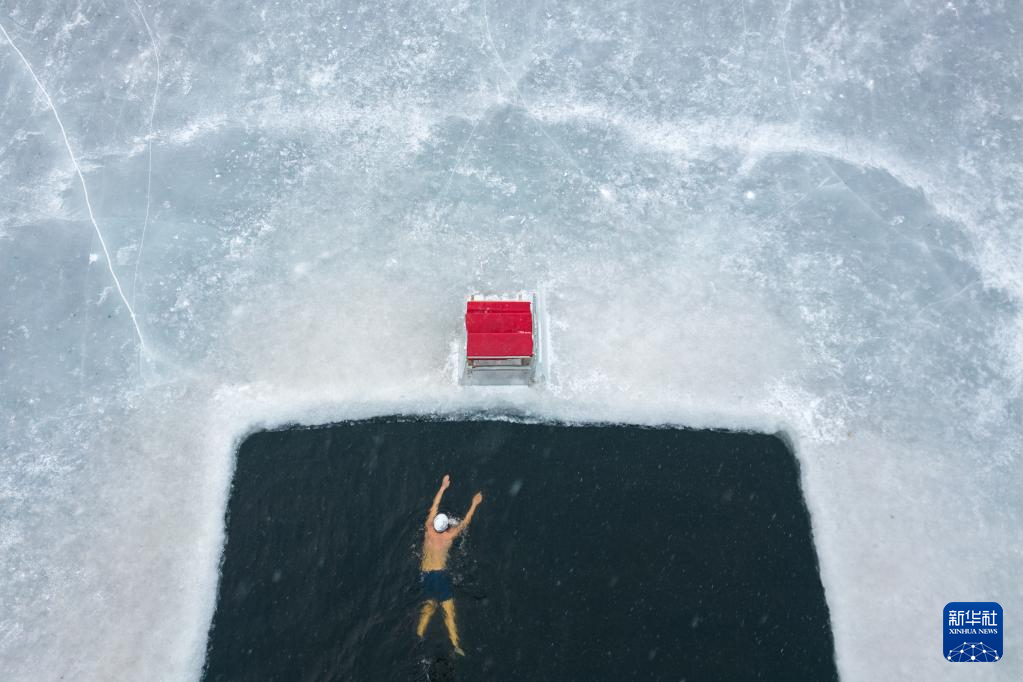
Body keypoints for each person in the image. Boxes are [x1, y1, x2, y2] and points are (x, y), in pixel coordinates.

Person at [417, 474, 483, 656]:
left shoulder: (428, 528)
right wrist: (474, 504)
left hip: (425, 574)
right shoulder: (448, 536)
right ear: (446, 527)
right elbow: (465, 523)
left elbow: (434, 505)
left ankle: (419, 633)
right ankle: (455, 644)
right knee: (448, 610)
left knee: (429, 605)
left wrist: (443, 487)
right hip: (439, 575)